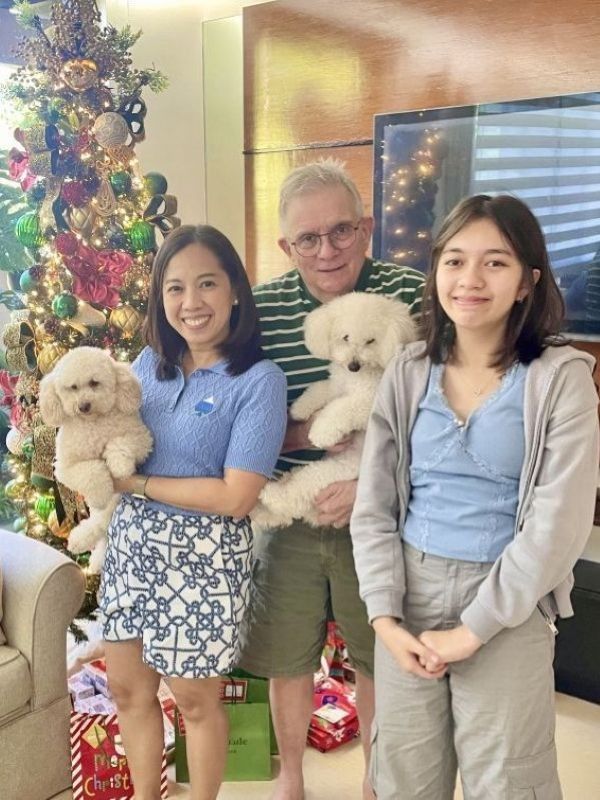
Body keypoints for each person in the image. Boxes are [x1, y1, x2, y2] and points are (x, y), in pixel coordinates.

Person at [350, 194, 599, 800]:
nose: (469, 279)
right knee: (404, 778)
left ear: (526, 282)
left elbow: (558, 526)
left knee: (508, 780)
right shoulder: (407, 372)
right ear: (436, 272)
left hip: (507, 604)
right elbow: (374, 505)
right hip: (409, 592)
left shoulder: (561, 379)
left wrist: (473, 631)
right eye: (454, 261)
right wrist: (383, 615)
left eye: (495, 263)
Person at [238, 158, 426, 800]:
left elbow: (443, 418)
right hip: (288, 512)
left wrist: (372, 482)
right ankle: (291, 779)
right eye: (308, 239)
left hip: (380, 516)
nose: (327, 251)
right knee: (286, 657)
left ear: (367, 228)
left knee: (378, 658)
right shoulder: (258, 309)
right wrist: (301, 440)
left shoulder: (414, 296)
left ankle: (375, 780)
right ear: (287, 246)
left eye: (341, 231)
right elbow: (241, 420)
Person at [98, 224, 288, 800]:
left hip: (203, 564)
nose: (191, 303)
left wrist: (140, 483)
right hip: (132, 553)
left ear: (234, 289)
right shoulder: (146, 365)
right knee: (130, 693)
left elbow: (236, 496)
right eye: (175, 288)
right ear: (160, 297)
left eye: (207, 283)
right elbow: (109, 434)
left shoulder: (258, 381)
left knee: (195, 701)